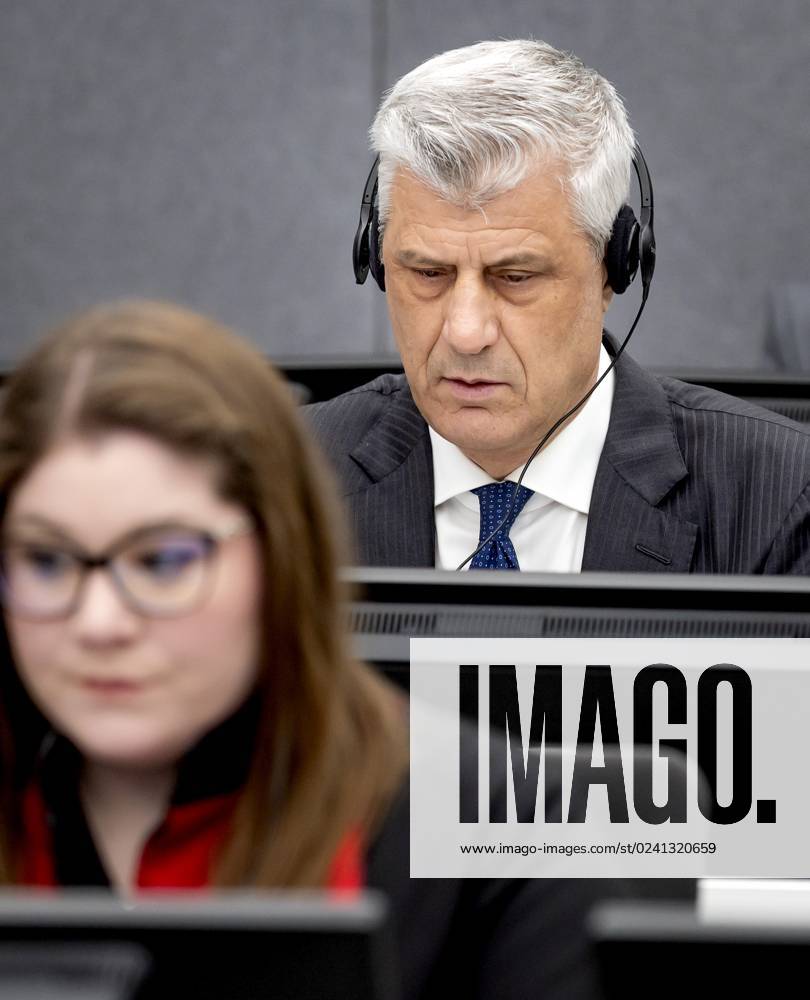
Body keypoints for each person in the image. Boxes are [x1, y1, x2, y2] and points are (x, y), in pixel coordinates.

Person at [0, 300, 614, 1000]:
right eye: (46, 562)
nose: (99, 621)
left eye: (163, 561)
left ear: (280, 558)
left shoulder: (528, 825)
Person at [307, 39, 810, 573]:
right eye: (429, 274)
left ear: (614, 269)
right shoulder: (273, 480)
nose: (465, 332)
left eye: (516, 277)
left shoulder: (783, 500)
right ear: (377, 260)